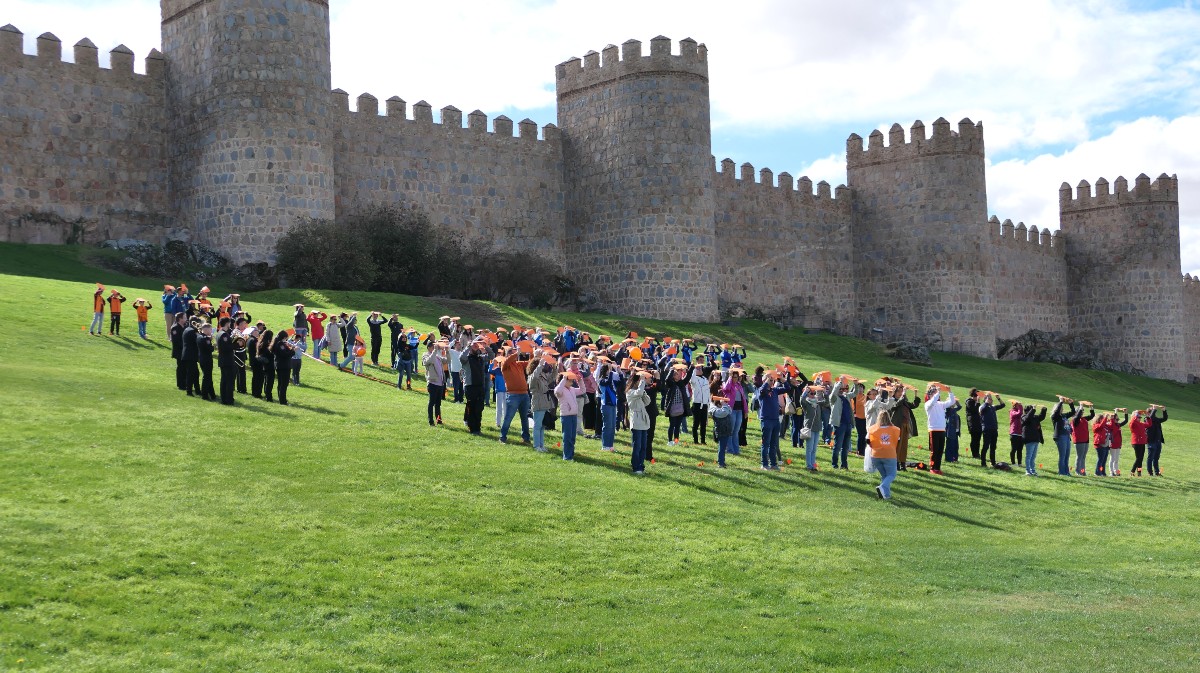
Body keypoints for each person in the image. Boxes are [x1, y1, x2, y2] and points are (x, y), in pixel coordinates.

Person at [497, 348, 532, 445]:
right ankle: (502, 437)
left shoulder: (519, 364)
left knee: (524, 418)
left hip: (524, 394)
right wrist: (517, 352)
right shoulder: (505, 364)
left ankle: (526, 438)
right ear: (508, 355)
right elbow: (508, 360)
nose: (516, 355)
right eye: (512, 353)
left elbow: (530, 363)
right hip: (513, 395)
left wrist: (532, 352)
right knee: (508, 417)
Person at [757, 372, 789, 470]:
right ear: (764, 381)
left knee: (773, 444)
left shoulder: (775, 390)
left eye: (772, 380)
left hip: (775, 420)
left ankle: (774, 464)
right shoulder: (761, 391)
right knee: (765, 443)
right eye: (770, 380)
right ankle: (764, 464)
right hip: (766, 420)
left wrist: (782, 379)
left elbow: (787, 388)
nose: (772, 382)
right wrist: (767, 380)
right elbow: (762, 390)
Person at [924, 385, 956, 474]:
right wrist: (937, 393)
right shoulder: (928, 404)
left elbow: (952, 401)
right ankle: (932, 467)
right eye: (934, 393)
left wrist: (950, 392)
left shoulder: (940, 404)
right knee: (934, 450)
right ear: (930, 395)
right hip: (933, 429)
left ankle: (937, 468)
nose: (937, 395)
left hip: (942, 429)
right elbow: (933, 400)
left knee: (940, 450)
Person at [555, 370, 587, 460]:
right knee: (567, 437)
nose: (572, 382)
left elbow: (582, 390)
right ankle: (567, 456)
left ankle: (570, 454)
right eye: (570, 380)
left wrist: (580, 381)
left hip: (573, 415)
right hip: (566, 416)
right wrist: (564, 379)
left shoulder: (572, 389)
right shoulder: (560, 390)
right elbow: (557, 391)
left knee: (572, 437)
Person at [461, 338, 490, 436]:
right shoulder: (467, 359)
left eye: (477, 346)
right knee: (472, 408)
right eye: (474, 346)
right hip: (470, 386)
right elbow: (461, 357)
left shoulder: (480, 357)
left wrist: (486, 346)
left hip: (480, 386)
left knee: (479, 408)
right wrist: (469, 346)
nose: (476, 347)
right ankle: (472, 428)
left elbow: (491, 356)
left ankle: (478, 428)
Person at [869, 413, 901, 500]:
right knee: (891, 474)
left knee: (885, 475)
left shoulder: (872, 428)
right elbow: (898, 441)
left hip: (875, 455)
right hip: (889, 454)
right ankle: (882, 486)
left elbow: (867, 440)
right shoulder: (895, 429)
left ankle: (885, 495)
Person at [528, 355, 557, 452]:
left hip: (545, 401)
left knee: (543, 425)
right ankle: (536, 446)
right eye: (541, 364)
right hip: (538, 401)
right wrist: (539, 366)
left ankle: (541, 445)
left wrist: (554, 367)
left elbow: (552, 378)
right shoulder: (532, 376)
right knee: (537, 425)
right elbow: (534, 377)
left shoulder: (543, 375)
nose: (544, 365)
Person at [829, 376, 858, 470]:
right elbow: (834, 392)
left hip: (848, 424)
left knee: (845, 447)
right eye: (840, 389)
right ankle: (834, 464)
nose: (842, 390)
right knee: (837, 446)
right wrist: (839, 383)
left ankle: (844, 465)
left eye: (844, 389)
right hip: (839, 424)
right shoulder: (834, 398)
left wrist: (856, 384)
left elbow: (854, 393)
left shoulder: (846, 396)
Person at [627, 372, 651, 473]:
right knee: (637, 446)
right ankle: (635, 466)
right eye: (640, 381)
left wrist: (643, 390)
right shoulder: (630, 392)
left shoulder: (639, 391)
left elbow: (647, 401)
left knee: (643, 446)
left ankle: (641, 465)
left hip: (643, 421)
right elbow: (639, 393)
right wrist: (642, 383)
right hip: (636, 421)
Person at [798, 384, 827, 470]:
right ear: (807, 394)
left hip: (817, 428)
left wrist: (824, 392)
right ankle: (809, 466)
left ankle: (813, 465)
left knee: (814, 449)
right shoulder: (806, 403)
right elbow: (801, 400)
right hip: (809, 428)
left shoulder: (818, 403)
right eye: (811, 393)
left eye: (814, 393)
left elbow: (827, 401)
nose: (813, 395)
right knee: (809, 448)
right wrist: (805, 391)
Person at [662, 363, 690, 446]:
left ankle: (676, 440)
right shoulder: (671, 384)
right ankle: (670, 441)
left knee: (677, 426)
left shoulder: (681, 383)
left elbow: (687, 377)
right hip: (672, 408)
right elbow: (667, 379)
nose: (679, 376)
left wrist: (691, 368)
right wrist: (671, 370)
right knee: (672, 425)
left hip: (680, 408)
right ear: (674, 376)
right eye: (677, 375)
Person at [422, 340, 449, 425]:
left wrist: (447, 351)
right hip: (432, 383)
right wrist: (435, 351)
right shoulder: (425, 355)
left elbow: (447, 361)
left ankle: (438, 420)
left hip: (440, 383)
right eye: (433, 347)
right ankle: (431, 421)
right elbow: (428, 361)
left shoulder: (437, 356)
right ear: (429, 347)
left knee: (438, 404)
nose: (435, 348)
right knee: (431, 403)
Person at [1050, 397, 1076, 476]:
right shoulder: (1055, 417)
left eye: (1062, 408)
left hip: (1067, 437)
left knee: (1067, 455)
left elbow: (1073, 412)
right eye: (1061, 408)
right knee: (1062, 455)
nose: (1062, 409)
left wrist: (1071, 403)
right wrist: (1060, 402)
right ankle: (1061, 472)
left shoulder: (1064, 416)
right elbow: (1057, 412)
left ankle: (1066, 472)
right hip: (1060, 437)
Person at [979, 393, 1005, 467]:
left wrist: (998, 398)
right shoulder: (982, 406)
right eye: (989, 399)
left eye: (991, 399)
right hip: (987, 429)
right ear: (986, 400)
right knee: (986, 446)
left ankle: (993, 462)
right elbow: (982, 410)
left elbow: (1003, 405)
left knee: (993, 446)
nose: (991, 400)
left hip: (994, 429)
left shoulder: (992, 407)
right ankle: (983, 462)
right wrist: (986, 401)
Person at [1021, 402, 1047, 476]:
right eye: (1031, 410)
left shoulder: (1035, 417)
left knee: (1033, 457)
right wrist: (1033, 409)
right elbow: (1027, 418)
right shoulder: (1023, 417)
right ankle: (1027, 471)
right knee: (1029, 456)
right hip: (1029, 439)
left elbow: (1041, 417)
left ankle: (1033, 470)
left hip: (1036, 439)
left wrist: (1043, 410)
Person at [216, 318, 236, 405]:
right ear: (227, 323)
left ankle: (224, 398)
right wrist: (236, 344)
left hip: (223, 360)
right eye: (229, 323)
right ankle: (228, 399)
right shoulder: (224, 335)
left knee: (224, 380)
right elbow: (226, 348)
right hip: (227, 360)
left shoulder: (219, 332)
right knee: (229, 381)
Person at [710, 396, 734, 468]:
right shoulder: (716, 411)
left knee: (723, 447)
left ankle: (722, 461)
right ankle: (721, 463)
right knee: (722, 447)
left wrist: (724, 404)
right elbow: (724, 412)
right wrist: (723, 404)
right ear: (718, 404)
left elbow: (729, 410)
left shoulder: (724, 408)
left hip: (726, 431)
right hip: (721, 431)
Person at [1070, 403, 1095, 475]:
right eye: (1081, 411)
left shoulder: (1083, 419)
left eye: (1083, 411)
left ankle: (1083, 472)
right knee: (1079, 456)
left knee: (1083, 457)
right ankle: (1078, 471)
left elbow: (1092, 415)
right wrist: (1081, 406)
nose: (1083, 412)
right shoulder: (1074, 420)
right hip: (1079, 441)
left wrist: (1091, 408)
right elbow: (1077, 417)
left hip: (1085, 440)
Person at [690, 364, 711, 444]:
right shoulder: (694, 379)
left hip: (704, 404)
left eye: (700, 368)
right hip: (697, 404)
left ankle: (703, 440)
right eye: (697, 369)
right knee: (696, 423)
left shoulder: (705, 379)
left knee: (703, 424)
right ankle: (695, 440)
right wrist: (693, 369)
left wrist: (708, 403)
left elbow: (707, 392)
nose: (699, 370)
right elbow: (692, 379)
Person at [272, 331, 294, 405]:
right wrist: (293, 351)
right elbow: (285, 355)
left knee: (281, 383)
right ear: (284, 337)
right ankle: (283, 400)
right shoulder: (280, 344)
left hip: (281, 366)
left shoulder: (281, 344)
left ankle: (281, 398)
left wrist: (290, 347)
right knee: (283, 384)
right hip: (283, 366)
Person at [181, 317, 201, 396]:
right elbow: (197, 341)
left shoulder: (187, 329)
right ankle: (189, 391)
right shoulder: (192, 331)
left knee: (195, 373)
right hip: (190, 355)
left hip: (189, 355)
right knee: (191, 374)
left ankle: (197, 390)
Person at [1146, 404, 1167, 476]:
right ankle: (1150, 472)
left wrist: (1164, 410)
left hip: (1158, 441)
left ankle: (1157, 472)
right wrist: (1154, 409)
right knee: (1150, 458)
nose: (1154, 413)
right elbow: (1151, 418)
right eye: (1152, 412)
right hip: (1151, 441)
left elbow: (1165, 418)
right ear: (1148, 413)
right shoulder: (1147, 419)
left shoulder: (1156, 419)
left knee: (1156, 458)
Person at [197, 322, 216, 401]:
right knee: (207, 377)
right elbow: (210, 349)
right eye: (210, 329)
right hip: (206, 359)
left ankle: (212, 394)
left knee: (208, 377)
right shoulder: (205, 338)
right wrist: (213, 345)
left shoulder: (199, 336)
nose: (211, 331)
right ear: (206, 329)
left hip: (202, 358)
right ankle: (204, 394)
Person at [1108, 408, 1129, 476]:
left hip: (1118, 444)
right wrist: (1115, 411)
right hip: (1113, 444)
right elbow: (1112, 420)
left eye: (1118, 419)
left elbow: (1126, 421)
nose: (1118, 420)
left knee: (1116, 459)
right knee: (1112, 459)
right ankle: (1111, 472)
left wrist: (1126, 413)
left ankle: (1116, 471)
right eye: (1116, 419)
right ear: (1113, 420)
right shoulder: (1111, 425)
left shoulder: (1118, 425)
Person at [170, 312, 187, 390]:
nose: (186, 318)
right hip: (179, 351)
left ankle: (185, 383)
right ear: (180, 319)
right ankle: (181, 384)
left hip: (184, 351)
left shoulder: (185, 326)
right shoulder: (175, 328)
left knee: (185, 367)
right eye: (184, 317)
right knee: (181, 368)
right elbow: (176, 341)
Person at [258, 330, 275, 403]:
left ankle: (266, 393)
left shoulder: (261, 343)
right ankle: (268, 396)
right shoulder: (267, 344)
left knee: (266, 380)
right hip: (269, 364)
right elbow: (270, 354)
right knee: (269, 381)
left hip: (264, 364)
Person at [964, 388, 982, 460]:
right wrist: (977, 402)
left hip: (978, 423)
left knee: (978, 439)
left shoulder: (976, 402)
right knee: (974, 439)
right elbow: (974, 410)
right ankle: (974, 453)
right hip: (972, 423)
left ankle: (977, 453)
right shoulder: (969, 402)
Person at [1008, 400, 1026, 466]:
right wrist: (1020, 406)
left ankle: (1019, 463)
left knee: (1020, 449)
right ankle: (1013, 463)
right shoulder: (1012, 412)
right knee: (1014, 449)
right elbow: (1019, 413)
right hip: (1014, 433)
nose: (1019, 406)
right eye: (1017, 405)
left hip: (1020, 433)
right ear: (1014, 405)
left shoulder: (1019, 411)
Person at [945, 399, 962, 463]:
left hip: (955, 432)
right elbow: (947, 407)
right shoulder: (948, 410)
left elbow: (959, 407)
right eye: (953, 402)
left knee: (955, 446)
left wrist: (957, 402)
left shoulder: (954, 410)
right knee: (950, 445)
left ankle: (955, 458)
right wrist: (949, 402)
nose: (954, 403)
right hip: (950, 431)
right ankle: (949, 458)